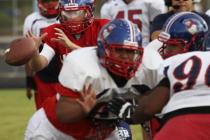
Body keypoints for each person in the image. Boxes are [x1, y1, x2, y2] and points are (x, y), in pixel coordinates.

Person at [24, 19, 163, 140]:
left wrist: (131, 113)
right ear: (103, 49)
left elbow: (149, 111)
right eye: (119, 50)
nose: (125, 57)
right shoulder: (81, 63)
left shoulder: (151, 65)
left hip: (102, 132)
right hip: (54, 131)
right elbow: (62, 114)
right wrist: (83, 109)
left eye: (131, 51)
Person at [109, 12, 210, 140]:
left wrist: (131, 113)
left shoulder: (175, 64)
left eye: (173, 45)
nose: (166, 50)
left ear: (196, 44)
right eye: (166, 44)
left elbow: (148, 109)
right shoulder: (154, 54)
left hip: (180, 123)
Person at [27, 0, 109, 73]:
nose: (71, 17)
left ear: (87, 12)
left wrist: (71, 46)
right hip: (69, 87)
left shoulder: (103, 27)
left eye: (76, 12)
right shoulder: (55, 31)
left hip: (99, 86)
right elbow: (38, 66)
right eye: (67, 12)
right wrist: (35, 53)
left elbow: (105, 61)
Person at [23, 0, 59, 109]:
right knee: (43, 112)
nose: (50, 4)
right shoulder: (31, 20)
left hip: (64, 73)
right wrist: (29, 80)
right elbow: (27, 52)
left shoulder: (66, 16)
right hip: (42, 74)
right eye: (46, 1)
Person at [100, 0, 166, 47]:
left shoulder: (153, 3)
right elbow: (107, 34)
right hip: (118, 49)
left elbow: (156, 31)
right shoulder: (108, 6)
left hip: (145, 49)